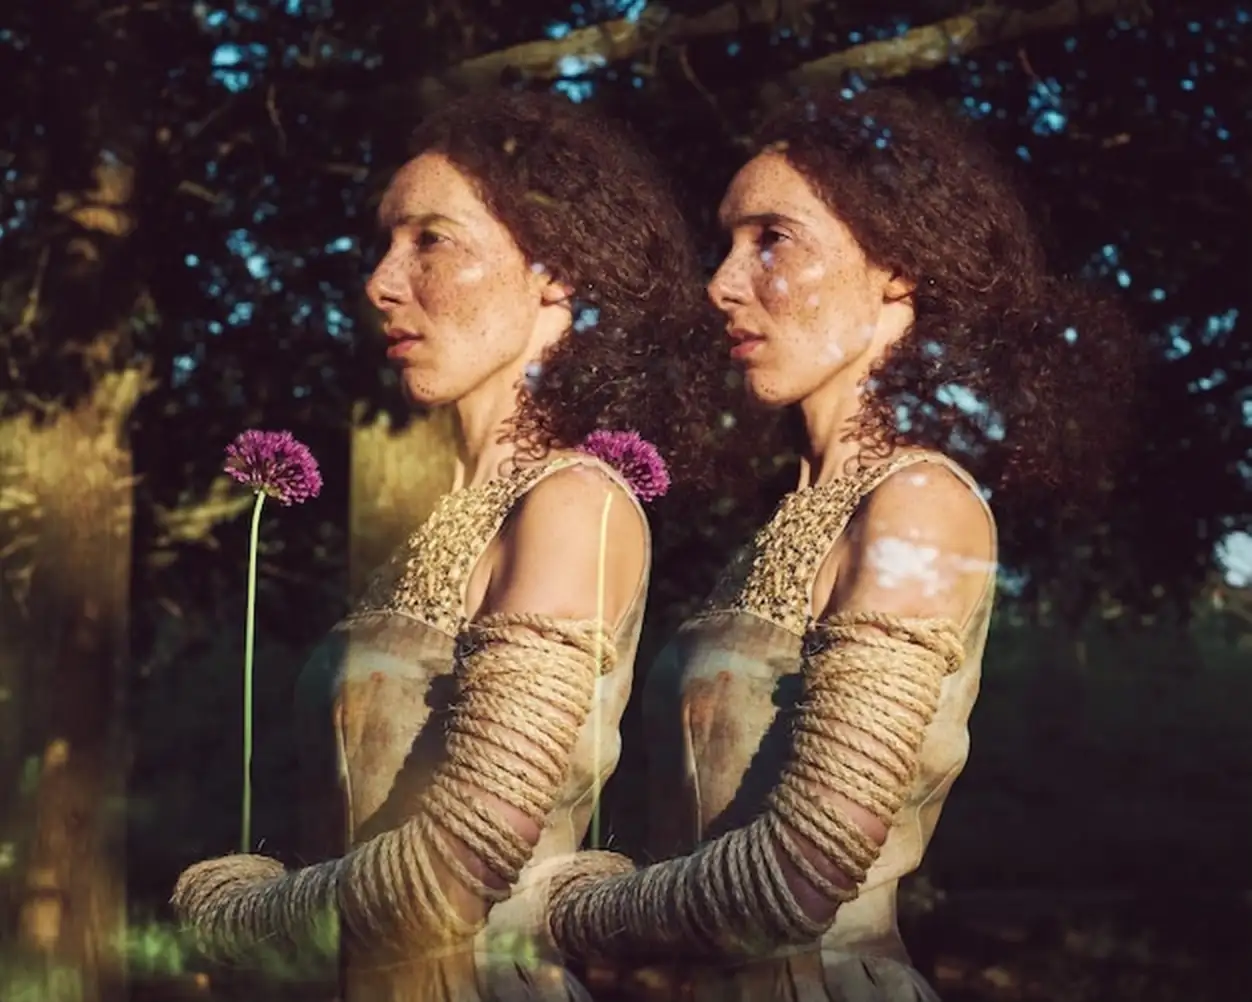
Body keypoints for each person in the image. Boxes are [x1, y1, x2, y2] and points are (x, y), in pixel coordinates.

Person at [542, 85, 1139, 1000]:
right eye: (727, 242)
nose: (721, 284)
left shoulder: (919, 506)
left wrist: (559, 907)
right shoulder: (787, 516)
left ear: (896, 266)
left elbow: (800, 873)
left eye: (771, 239)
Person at [170, 89, 741, 1002]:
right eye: (387, 242)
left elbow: (464, 856)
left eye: (432, 240)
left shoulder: (571, 503)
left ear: (553, 271)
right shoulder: (447, 521)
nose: (382, 281)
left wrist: (240, 911)